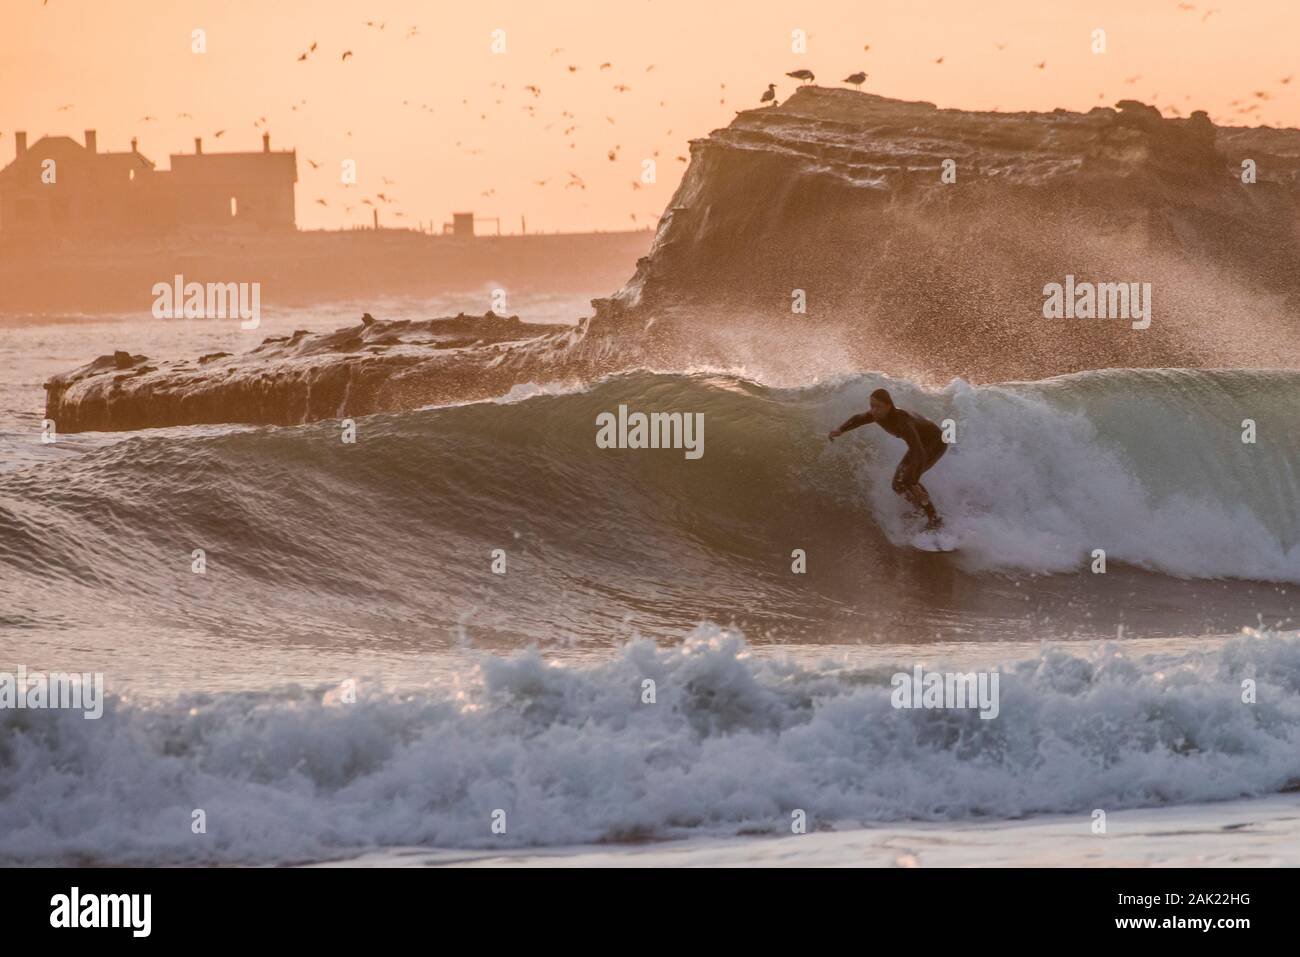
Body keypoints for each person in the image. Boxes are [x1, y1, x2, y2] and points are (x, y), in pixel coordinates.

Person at [828, 388, 947, 530]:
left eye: (878, 406)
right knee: (897, 485)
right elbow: (858, 419)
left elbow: (918, 451)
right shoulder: (877, 415)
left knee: (909, 480)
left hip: (935, 442)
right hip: (920, 445)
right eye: (872, 406)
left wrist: (915, 482)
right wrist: (840, 430)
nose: (873, 410)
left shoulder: (903, 422)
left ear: (889, 406)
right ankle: (920, 509)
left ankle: (935, 520)